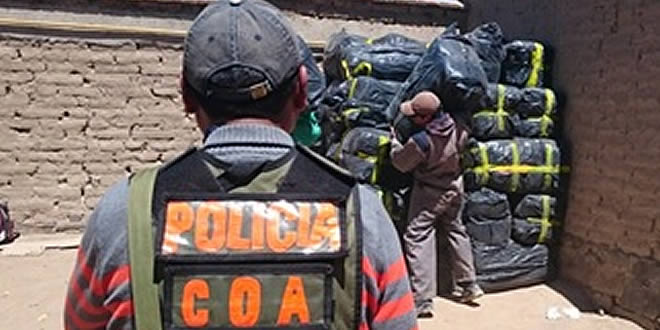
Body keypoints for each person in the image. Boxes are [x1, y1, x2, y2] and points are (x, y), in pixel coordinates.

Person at [64, 1, 417, 329]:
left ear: (186, 95)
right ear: (301, 91)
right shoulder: (362, 215)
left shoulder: (124, 214)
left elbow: (80, 323)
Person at [390, 91, 483, 318]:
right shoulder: (459, 125)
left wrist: (394, 143)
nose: (411, 119)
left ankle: (422, 299)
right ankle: (469, 284)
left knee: (417, 235)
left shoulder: (422, 141)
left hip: (429, 193)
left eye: (414, 116)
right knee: (456, 230)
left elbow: (401, 163)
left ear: (424, 118)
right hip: (455, 187)